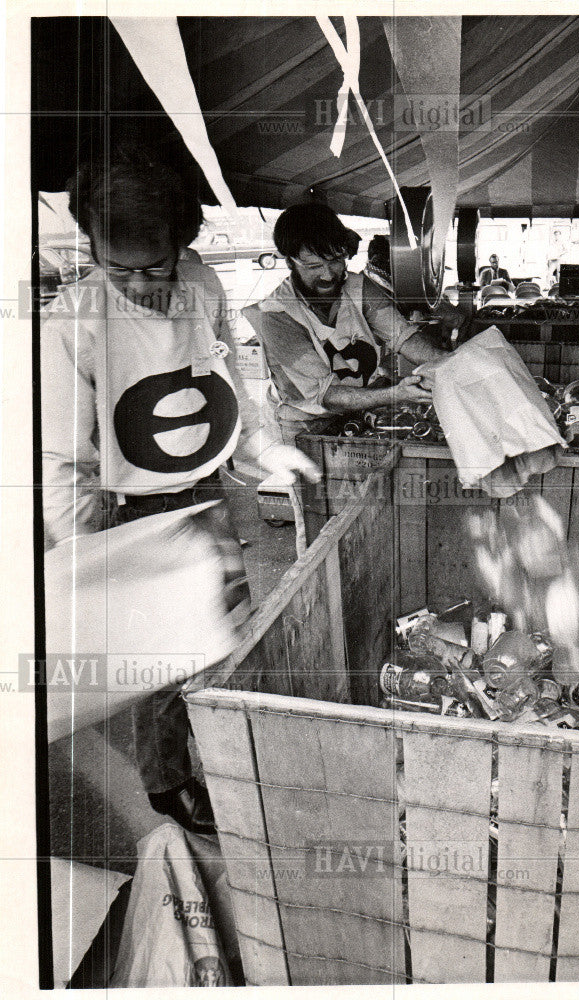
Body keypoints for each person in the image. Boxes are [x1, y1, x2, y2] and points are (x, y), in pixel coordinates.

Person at [40, 143, 319, 835]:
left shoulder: (202, 285)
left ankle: (229, 761)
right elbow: (58, 455)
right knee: (163, 664)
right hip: (129, 513)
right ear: (92, 248)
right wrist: (90, 556)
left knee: (227, 635)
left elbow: (224, 378)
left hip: (207, 493)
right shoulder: (74, 320)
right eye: (117, 267)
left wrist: (264, 446)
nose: (138, 283)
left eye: (155, 264)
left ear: (183, 242)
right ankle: (168, 783)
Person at [242, 203, 449, 442]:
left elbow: (404, 337)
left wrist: (450, 364)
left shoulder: (358, 288)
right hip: (304, 428)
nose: (328, 275)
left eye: (335, 261)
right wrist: (397, 394)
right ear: (290, 263)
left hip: (359, 411)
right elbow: (327, 395)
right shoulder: (277, 315)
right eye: (314, 266)